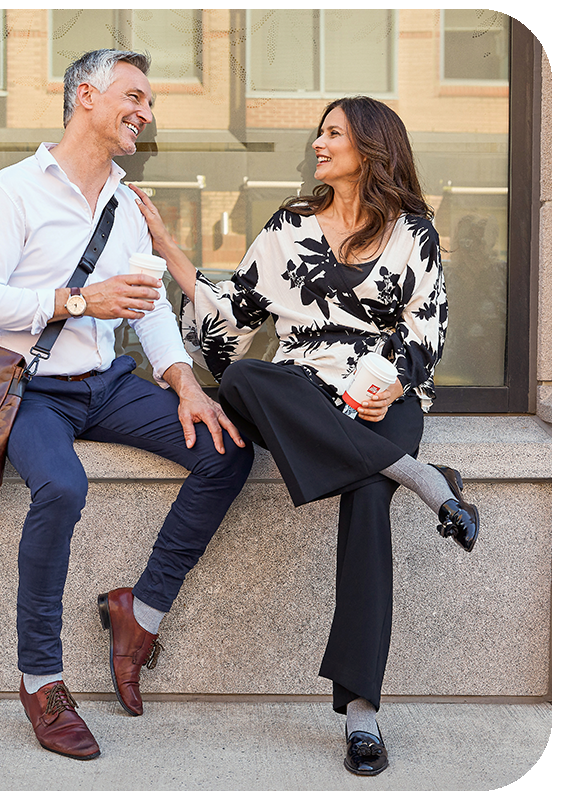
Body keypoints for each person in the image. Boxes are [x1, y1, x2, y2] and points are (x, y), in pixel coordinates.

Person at [129, 96, 479, 777]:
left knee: (368, 501)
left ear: (371, 150)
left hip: (382, 397)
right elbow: (232, 312)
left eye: (334, 134)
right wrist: (169, 250)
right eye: (319, 132)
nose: (318, 143)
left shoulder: (414, 232)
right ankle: (424, 479)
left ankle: (361, 714)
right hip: (299, 391)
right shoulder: (290, 224)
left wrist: (392, 385)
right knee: (246, 383)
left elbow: (425, 328)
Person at [0, 49, 253, 761]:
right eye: (135, 95)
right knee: (61, 485)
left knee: (226, 448)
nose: (145, 112)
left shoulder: (124, 203)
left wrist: (181, 381)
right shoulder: (13, 190)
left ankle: (138, 615)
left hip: (110, 383)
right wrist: (79, 299)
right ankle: (41, 678)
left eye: (150, 103)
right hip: (30, 389)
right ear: (85, 96)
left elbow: (145, 310)